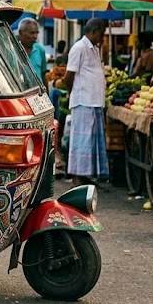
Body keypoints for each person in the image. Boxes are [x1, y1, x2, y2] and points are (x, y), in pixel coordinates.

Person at [63, 18, 109, 188]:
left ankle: (86, 175)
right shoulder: (79, 48)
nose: (103, 38)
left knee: (91, 142)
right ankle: (77, 177)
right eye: (102, 34)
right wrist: (72, 93)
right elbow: (69, 76)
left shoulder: (95, 49)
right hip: (83, 101)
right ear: (94, 31)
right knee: (81, 141)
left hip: (95, 101)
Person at [18, 18, 47, 84]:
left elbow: (43, 75)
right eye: (32, 33)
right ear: (21, 33)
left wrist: (46, 93)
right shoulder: (13, 50)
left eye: (37, 33)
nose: (35, 36)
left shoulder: (40, 50)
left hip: (38, 93)